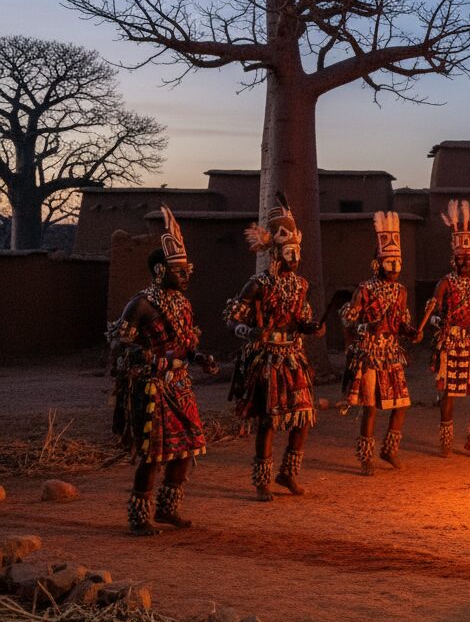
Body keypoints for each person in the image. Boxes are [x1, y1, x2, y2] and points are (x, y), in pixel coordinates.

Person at [108, 206, 214, 535]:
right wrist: (152, 360)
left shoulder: (183, 304)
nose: (186, 276)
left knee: (188, 448)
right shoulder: (140, 304)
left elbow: (186, 343)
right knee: (153, 455)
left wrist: (198, 357)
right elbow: (120, 345)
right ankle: (140, 516)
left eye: (188, 270)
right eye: (179, 271)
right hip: (152, 389)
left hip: (181, 386)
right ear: (159, 271)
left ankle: (168, 509)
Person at [224, 193, 323, 501]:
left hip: (294, 358)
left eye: (297, 252)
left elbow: (303, 319)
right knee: (269, 421)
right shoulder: (258, 285)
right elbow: (231, 318)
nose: (295, 259)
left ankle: (288, 473)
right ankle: (262, 480)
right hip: (267, 359)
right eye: (289, 252)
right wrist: (250, 331)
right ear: (276, 253)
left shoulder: (301, 285)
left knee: (303, 416)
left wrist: (312, 327)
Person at [341, 211, 420, 474]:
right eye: (390, 262)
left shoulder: (401, 292)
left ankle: (389, 450)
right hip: (370, 352)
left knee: (401, 404)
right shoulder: (364, 289)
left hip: (391, 352)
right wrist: (367, 326)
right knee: (371, 406)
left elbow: (401, 323)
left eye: (398, 262)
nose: (395, 268)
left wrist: (410, 332)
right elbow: (348, 321)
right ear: (378, 263)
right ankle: (365, 457)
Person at [430, 199, 470, 457]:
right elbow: (434, 313)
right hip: (452, 344)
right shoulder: (445, 283)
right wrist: (438, 323)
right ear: (453, 259)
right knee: (449, 394)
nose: (464, 262)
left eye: (468, 258)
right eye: (460, 258)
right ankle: (446, 439)